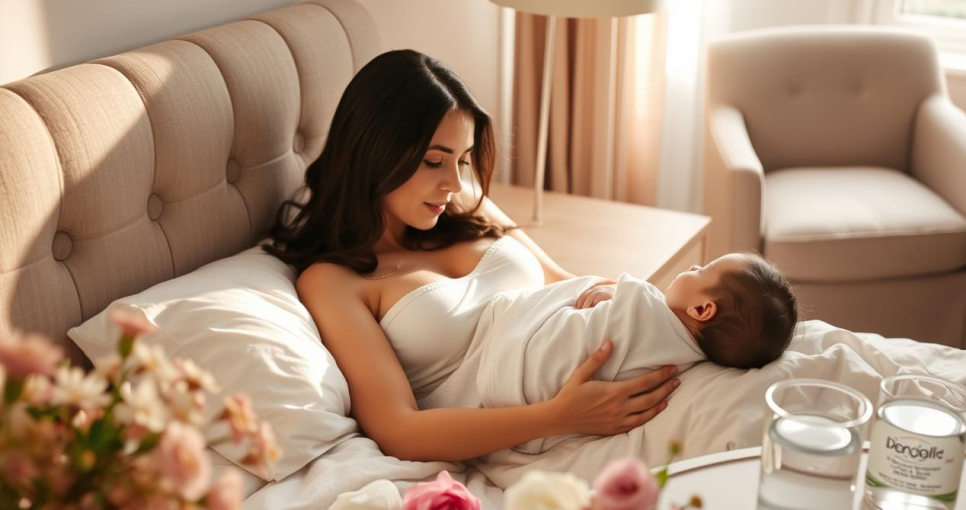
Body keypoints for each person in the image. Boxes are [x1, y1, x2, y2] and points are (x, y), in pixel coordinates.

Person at [262, 49, 680, 463]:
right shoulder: (332, 282)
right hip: (561, 428)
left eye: (463, 159)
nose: (455, 181)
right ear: (374, 151)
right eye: (434, 161)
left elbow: (559, 277)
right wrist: (560, 416)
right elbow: (399, 431)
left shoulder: (461, 203)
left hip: (616, 365)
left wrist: (605, 291)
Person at [425, 252, 798, 454]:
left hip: (512, 355)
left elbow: (622, 303)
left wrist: (613, 295)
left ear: (703, 310)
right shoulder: (681, 361)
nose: (693, 265)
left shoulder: (641, 302)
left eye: (704, 270)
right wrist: (607, 296)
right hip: (521, 402)